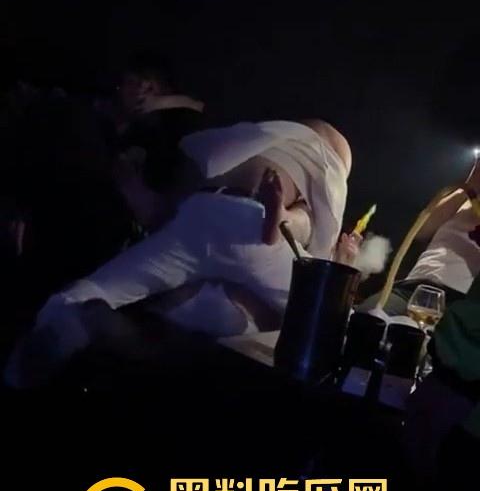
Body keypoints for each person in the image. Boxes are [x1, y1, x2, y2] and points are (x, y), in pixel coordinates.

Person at [4, 117, 358, 387]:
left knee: (93, 290)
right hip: (253, 226)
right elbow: (303, 233)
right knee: (321, 320)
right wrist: (336, 256)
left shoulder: (252, 146)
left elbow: (169, 210)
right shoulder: (321, 173)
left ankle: (57, 329)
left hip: (202, 210)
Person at [360, 157, 480, 315]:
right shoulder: (464, 199)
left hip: (457, 302)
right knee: (366, 315)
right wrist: (469, 187)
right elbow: (421, 230)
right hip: (413, 289)